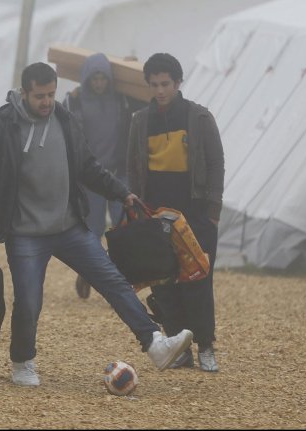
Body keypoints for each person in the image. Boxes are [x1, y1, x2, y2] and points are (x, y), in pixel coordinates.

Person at [0, 62, 194, 387]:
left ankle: (155, 343)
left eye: (51, 94)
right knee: (29, 299)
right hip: (25, 234)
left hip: (69, 227)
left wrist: (121, 193)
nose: (46, 102)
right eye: (39, 96)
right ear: (24, 93)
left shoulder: (64, 119)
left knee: (113, 280)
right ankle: (23, 361)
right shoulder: (3, 127)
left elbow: (88, 166)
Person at [127, 52, 224, 372]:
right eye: (154, 84)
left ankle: (206, 345)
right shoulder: (140, 121)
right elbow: (133, 167)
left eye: (165, 84)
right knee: (164, 284)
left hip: (194, 214)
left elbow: (215, 164)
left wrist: (212, 212)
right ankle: (178, 348)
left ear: (178, 83)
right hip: (155, 217)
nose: (160, 90)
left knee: (197, 281)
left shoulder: (198, 118)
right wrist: (137, 211)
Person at [62, 52, 144, 299]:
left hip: (118, 174)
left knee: (122, 230)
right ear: (87, 79)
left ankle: (119, 283)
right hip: (91, 178)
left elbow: (145, 100)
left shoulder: (122, 101)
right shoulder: (75, 102)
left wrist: (132, 69)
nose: (99, 83)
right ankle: (89, 272)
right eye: (94, 78)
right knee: (92, 230)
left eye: (103, 78)